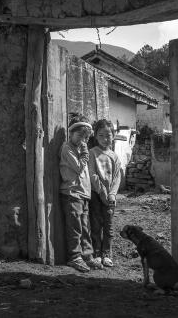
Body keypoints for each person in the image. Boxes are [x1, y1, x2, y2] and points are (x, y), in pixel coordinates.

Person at [59, 115, 103, 272]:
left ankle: (87, 256)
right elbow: (78, 167)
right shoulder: (67, 148)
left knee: (85, 227)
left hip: (83, 194)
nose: (82, 140)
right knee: (75, 227)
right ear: (71, 133)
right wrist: (85, 153)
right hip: (72, 194)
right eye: (79, 136)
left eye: (85, 137)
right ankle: (74, 257)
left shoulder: (79, 148)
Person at [89, 119, 121, 267]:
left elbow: (116, 177)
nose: (105, 139)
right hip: (96, 195)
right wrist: (102, 192)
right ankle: (96, 253)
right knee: (95, 225)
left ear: (113, 136)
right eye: (101, 135)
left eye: (108, 135)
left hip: (110, 196)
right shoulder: (92, 153)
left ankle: (107, 254)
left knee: (108, 226)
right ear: (95, 136)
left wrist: (112, 194)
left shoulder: (114, 156)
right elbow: (92, 174)